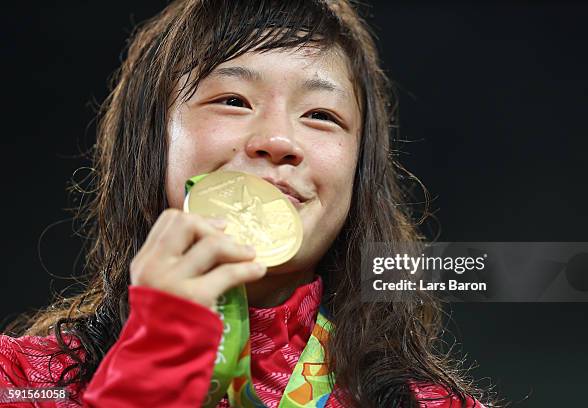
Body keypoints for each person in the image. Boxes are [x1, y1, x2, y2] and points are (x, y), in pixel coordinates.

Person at [0, 1, 492, 407]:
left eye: (320, 115)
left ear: (359, 175)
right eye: (233, 100)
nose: (278, 139)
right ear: (149, 144)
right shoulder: (19, 381)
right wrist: (153, 368)